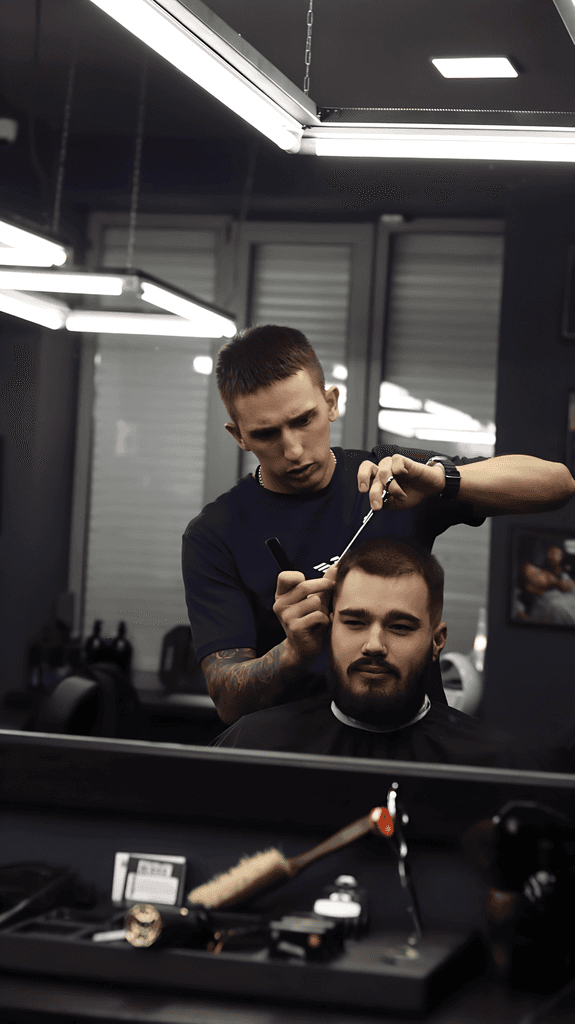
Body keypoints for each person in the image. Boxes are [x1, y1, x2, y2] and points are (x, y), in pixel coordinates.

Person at [182, 325, 575, 725]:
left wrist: (442, 481)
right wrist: (293, 652)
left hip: (413, 741)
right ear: (239, 436)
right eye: (266, 434)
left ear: (331, 403)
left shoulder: (392, 478)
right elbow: (229, 703)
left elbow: (558, 484)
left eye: (304, 420)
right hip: (294, 757)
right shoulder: (215, 533)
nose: (294, 450)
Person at [211, 538, 535, 768]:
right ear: (329, 628)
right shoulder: (254, 746)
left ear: (437, 641)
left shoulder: (493, 764)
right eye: (355, 622)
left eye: (400, 627)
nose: (374, 645)